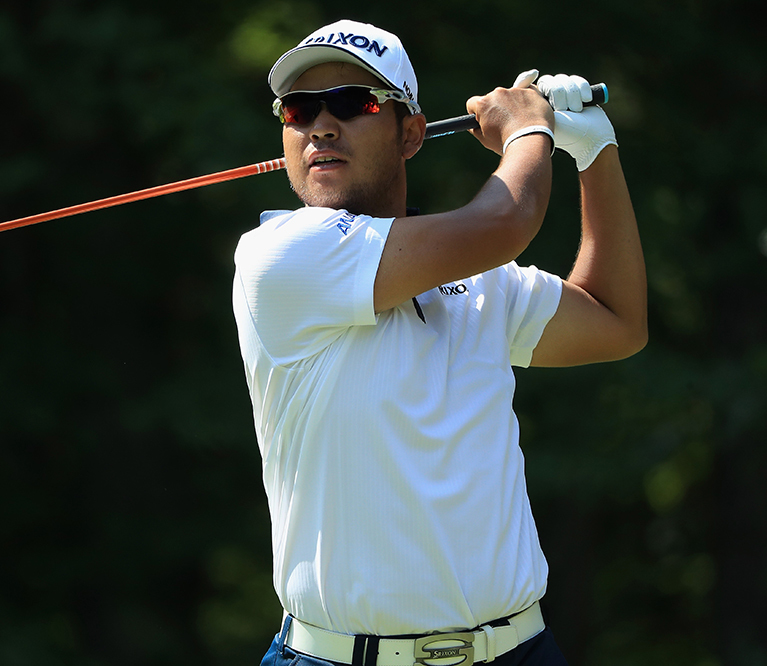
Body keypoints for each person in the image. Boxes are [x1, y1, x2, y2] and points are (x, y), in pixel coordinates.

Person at [231, 19, 646, 666]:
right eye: (300, 109)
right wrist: (529, 128)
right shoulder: (280, 256)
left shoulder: (481, 280)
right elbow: (506, 220)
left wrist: (595, 153)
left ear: (412, 134)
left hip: (519, 652)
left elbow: (617, 321)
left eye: (353, 102)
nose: (321, 126)